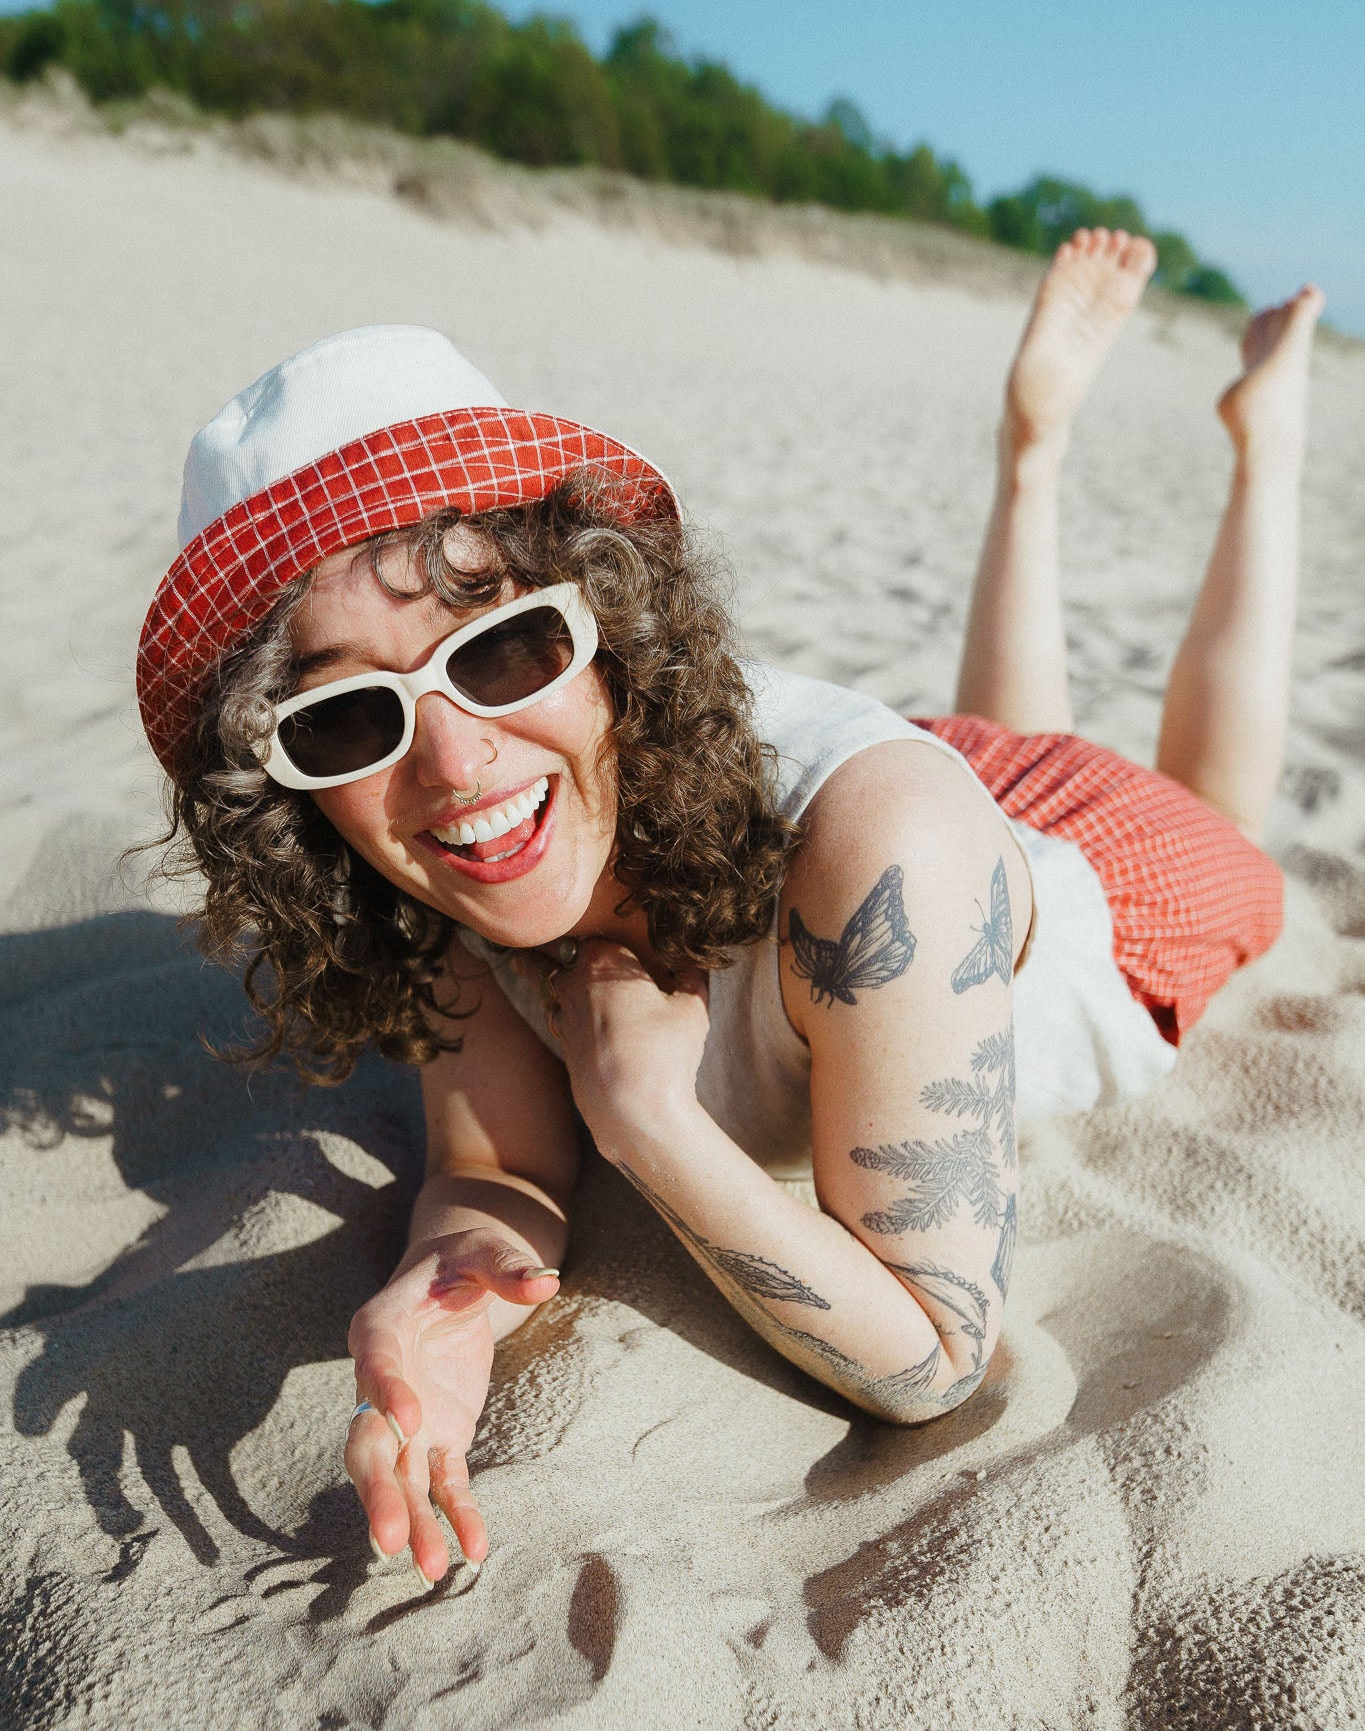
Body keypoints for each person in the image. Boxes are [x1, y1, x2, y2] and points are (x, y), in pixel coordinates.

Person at [137, 231, 1322, 1592]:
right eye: (346, 715)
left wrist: (649, 1122)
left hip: (1095, 882)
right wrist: (452, 1288)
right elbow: (497, 1162)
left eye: (503, 648)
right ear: (291, 779)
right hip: (926, 796)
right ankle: (1034, 453)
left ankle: (1262, 445)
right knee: (990, 738)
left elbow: (932, 1361)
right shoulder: (428, 853)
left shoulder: (883, 850)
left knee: (1204, 801)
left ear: (603, 625)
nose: (452, 765)